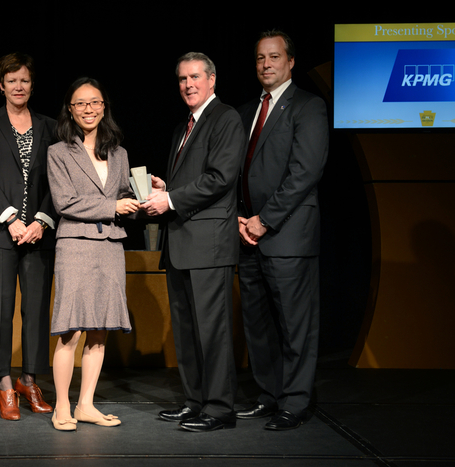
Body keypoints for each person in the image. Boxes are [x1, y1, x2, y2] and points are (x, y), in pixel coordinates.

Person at [142, 52, 246, 432]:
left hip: (209, 245)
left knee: (212, 331)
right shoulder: (183, 125)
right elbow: (194, 181)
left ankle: (219, 409)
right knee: (187, 332)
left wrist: (169, 200)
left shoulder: (226, 118)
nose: (188, 84)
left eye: (195, 77)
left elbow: (220, 178)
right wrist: (166, 188)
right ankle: (194, 401)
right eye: (182, 79)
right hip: (183, 243)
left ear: (212, 79)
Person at [235, 30, 328, 430]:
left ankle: (295, 401)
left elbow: (305, 171)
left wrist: (265, 219)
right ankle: (269, 395)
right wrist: (240, 217)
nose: (266, 64)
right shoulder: (245, 111)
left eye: (274, 57)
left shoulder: (308, 106)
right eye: (260, 58)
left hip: (286, 234)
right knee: (258, 324)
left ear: (290, 62)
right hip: (247, 236)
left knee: (295, 325)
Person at [47, 77, 140, 431]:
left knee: (100, 332)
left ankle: (86, 404)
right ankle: (62, 407)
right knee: (71, 332)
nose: (88, 109)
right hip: (75, 246)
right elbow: (65, 202)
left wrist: (140, 198)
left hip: (111, 247)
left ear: (104, 107)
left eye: (95, 102)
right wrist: (114, 205)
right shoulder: (59, 152)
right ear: (70, 110)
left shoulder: (119, 153)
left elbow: (123, 199)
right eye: (80, 103)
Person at [0, 53, 57, 421]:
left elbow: (60, 179)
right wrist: (10, 219)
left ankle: (29, 380)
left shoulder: (51, 126)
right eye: (12, 80)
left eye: (24, 80)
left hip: (38, 232)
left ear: (32, 85)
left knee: (36, 309)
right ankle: (5, 385)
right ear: (1, 85)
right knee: (0, 309)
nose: (18, 86)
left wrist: (41, 219)